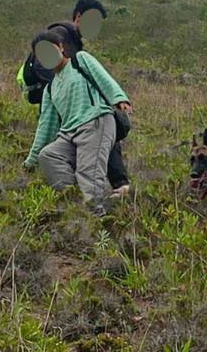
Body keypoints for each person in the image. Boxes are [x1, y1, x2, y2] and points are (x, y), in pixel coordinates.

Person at [16, 0, 131, 192]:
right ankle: (87, 193)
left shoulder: (77, 47)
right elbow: (45, 66)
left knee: (99, 140)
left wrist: (118, 98)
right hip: (66, 108)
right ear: (79, 17)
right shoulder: (60, 35)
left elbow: (100, 77)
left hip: (88, 116)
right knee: (61, 154)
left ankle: (112, 187)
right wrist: (58, 88)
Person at [23, 30, 132, 215]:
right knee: (48, 156)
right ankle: (75, 203)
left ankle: (96, 219)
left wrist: (119, 98)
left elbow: (104, 78)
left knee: (89, 176)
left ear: (61, 47)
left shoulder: (80, 60)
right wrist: (31, 161)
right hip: (68, 134)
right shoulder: (50, 89)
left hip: (95, 123)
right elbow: (46, 127)